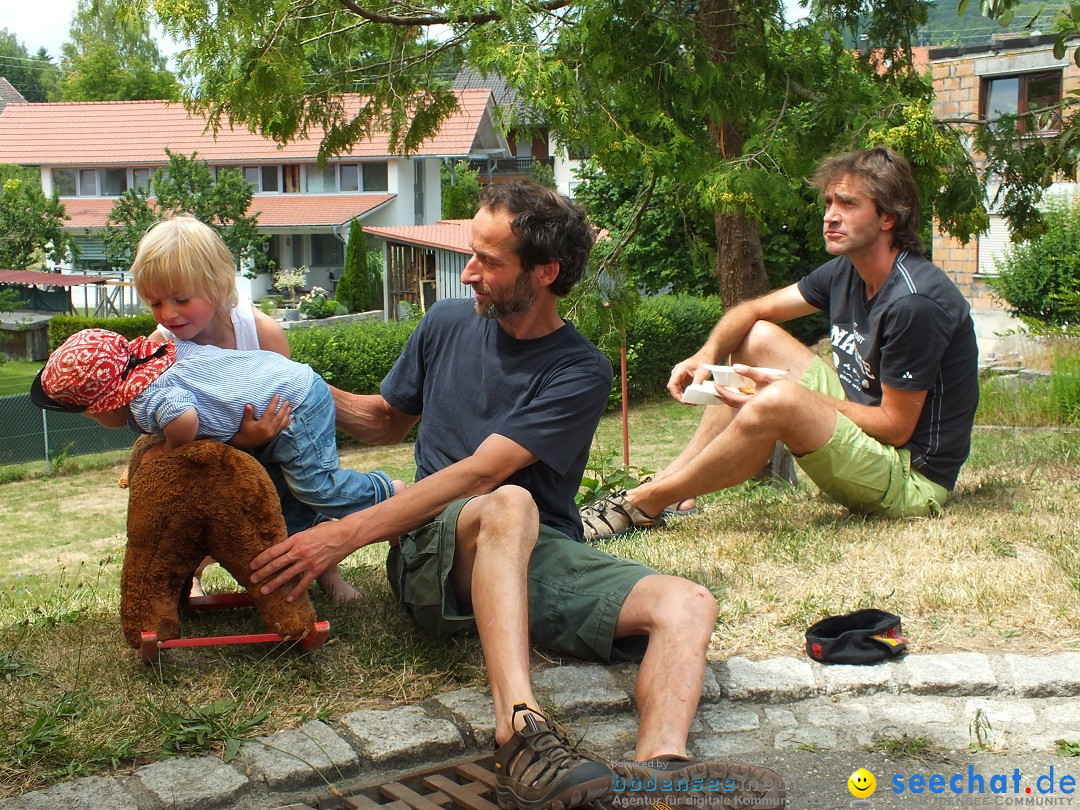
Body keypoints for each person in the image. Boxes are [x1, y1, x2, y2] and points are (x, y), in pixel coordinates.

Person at [247, 180, 785, 810]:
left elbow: (482, 471)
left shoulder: (579, 369)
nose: (468, 273)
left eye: (489, 262)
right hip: (434, 552)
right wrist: (301, 387)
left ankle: (658, 777)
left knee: (688, 603)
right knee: (510, 502)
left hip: (537, 549)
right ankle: (519, 728)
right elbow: (388, 419)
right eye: (471, 254)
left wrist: (341, 533)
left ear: (546, 272)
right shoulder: (446, 323)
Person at [580, 146, 979, 539]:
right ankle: (673, 485)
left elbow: (894, 428)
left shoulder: (914, 303)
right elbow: (752, 311)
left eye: (847, 204)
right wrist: (707, 353)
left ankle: (645, 501)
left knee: (780, 398)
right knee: (755, 337)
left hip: (910, 479)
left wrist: (793, 398)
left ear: (889, 216)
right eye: (827, 202)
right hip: (865, 438)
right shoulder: (847, 271)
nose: (830, 216)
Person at [130, 215, 359, 601]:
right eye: (155, 302)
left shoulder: (260, 332)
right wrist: (241, 438)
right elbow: (171, 425)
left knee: (295, 493)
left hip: (275, 447)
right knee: (192, 503)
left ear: (219, 286)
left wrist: (262, 438)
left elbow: (291, 406)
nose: (168, 314)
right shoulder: (161, 346)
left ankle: (326, 572)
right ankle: (190, 575)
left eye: (182, 299)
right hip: (206, 454)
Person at [31, 328, 404, 561]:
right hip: (279, 397)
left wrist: (170, 450)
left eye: (89, 414)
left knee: (317, 486)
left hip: (294, 400)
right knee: (283, 505)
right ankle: (296, 570)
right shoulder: (157, 357)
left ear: (108, 402)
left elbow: (186, 419)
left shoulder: (145, 400)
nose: (93, 420)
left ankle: (393, 494)